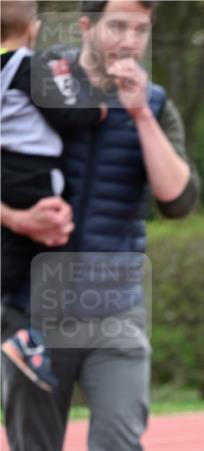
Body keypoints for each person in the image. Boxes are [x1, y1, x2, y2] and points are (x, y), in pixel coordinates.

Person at [1, 0, 200, 451]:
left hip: (117, 310)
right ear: (86, 29)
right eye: (117, 26)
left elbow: (178, 199)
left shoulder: (158, 102)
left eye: (140, 30)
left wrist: (140, 111)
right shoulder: (31, 89)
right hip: (32, 310)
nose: (128, 41)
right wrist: (18, 217)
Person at [1, 0, 106, 390]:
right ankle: (30, 338)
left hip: (5, 173)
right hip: (34, 174)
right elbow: (65, 112)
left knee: (11, 258)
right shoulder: (33, 67)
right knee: (57, 248)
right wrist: (95, 110)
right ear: (33, 28)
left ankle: (18, 330)